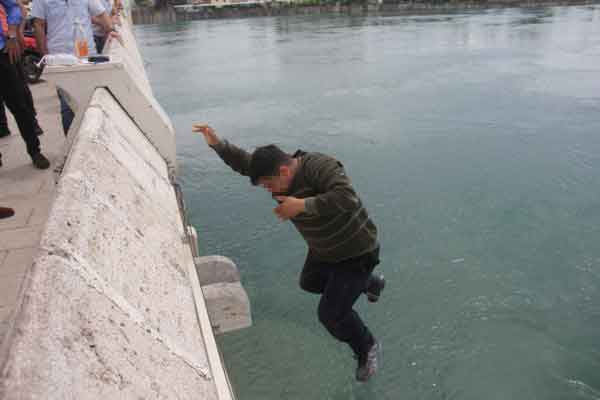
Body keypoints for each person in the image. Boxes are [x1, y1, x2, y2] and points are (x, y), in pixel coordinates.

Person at [193, 124, 386, 382]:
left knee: (330, 314)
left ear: (284, 170)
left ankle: (367, 346)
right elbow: (243, 162)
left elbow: (347, 197)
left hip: (356, 250)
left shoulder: (319, 166)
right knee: (309, 282)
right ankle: (369, 283)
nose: (271, 192)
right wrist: (217, 143)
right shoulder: (274, 169)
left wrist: (302, 205)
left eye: (270, 185)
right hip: (325, 250)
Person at [31, 0, 119, 135]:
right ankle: (72, 139)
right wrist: (44, 55)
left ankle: (93, 133)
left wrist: (111, 30)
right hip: (60, 58)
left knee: (91, 95)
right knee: (67, 104)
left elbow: (101, 15)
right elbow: (39, 25)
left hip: (87, 55)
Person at [0, 0, 50, 169]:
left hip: (3, 54)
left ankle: (35, 151)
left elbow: (14, 7)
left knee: (19, 105)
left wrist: (13, 34)